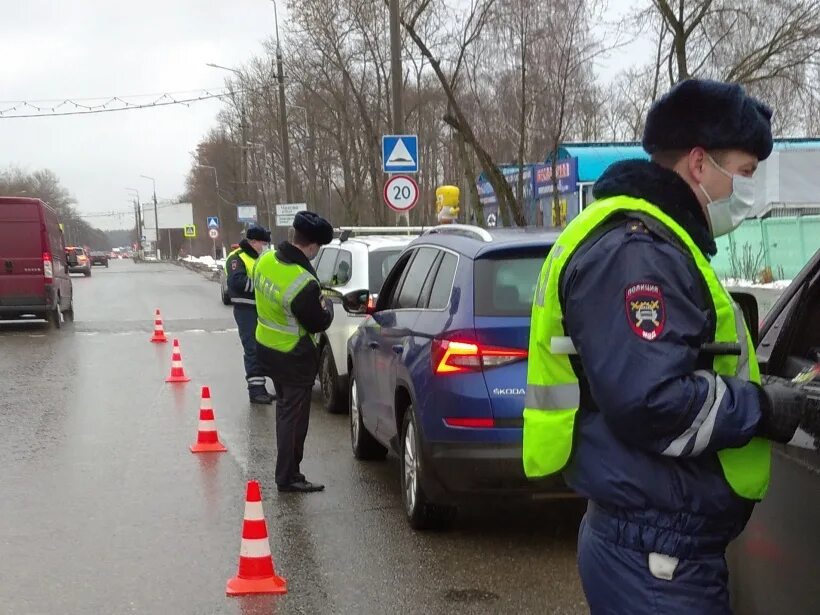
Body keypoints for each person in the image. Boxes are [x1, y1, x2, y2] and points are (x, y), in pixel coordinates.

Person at [523, 79, 820, 613]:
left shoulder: (652, 241)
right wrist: (763, 406)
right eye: (746, 172)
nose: (748, 190)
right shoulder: (638, 253)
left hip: (658, 547)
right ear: (700, 164)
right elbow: (652, 401)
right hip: (657, 559)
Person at [253, 211, 335, 493]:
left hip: (267, 348)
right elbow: (318, 320)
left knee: (285, 412)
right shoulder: (302, 281)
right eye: (318, 248)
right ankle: (288, 476)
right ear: (311, 246)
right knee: (294, 418)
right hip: (293, 356)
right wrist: (329, 309)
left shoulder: (265, 259)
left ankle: (287, 472)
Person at [226, 225, 274, 405]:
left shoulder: (260, 258)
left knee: (263, 348)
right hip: (246, 310)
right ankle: (255, 390)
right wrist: (263, 287)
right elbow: (237, 282)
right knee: (252, 348)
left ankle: (262, 388)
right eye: (263, 243)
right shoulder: (237, 257)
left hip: (262, 309)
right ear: (253, 242)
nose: (265, 247)